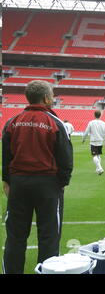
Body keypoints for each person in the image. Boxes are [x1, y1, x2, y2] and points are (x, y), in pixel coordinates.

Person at [2, 80, 73, 274]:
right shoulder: (56, 122)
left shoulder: (13, 121)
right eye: (52, 95)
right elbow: (65, 159)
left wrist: (7, 181)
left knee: (15, 237)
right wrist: (62, 183)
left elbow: (6, 156)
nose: (53, 98)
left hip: (18, 184)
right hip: (48, 185)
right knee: (49, 237)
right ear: (45, 98)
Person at [82, 110, 105, 175]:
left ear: (94, 115)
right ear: (100, 115)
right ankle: (97, 169)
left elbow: (86, 131)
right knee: (98, 155)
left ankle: (100, 168)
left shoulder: (91, 122)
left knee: (94, 155)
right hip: (100, 141)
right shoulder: (103, 123)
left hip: (93, 141)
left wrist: (83, 139)